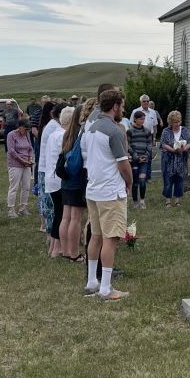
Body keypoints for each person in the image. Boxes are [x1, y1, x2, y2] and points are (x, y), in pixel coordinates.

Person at [82, 89, 133, 301]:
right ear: (115, 106)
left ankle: (91, 281)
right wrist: (129, 182)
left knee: (95, 235)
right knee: (110, 239)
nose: (123, 110)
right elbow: (123, 164)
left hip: (93, 188)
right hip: (110, 191)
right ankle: (105, 288)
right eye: (122, 106)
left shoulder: (90, 128)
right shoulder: (114, 131)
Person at [56, 105, 88, 261]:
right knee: (76, 218)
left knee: (65, 217)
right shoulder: (81, 133)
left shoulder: (67, 133)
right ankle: (74, 253)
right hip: (77, 178)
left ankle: (65, 250)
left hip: (66, 178)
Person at [38, 104, 69, 258]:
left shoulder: (54, 131)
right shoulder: (60, 133)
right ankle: (57, 247)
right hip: (57, 178)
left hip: (51, 176)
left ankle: (54, 246)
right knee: (60, 214)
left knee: (58, 213)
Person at [159, 110, 190, 207]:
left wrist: (184, 149)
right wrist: (173, 150)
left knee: (179, 180)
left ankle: (177, 201)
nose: (177, 124)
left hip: (181, 160)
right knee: (168, 180)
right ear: (170, 122)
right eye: (175, 122)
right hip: (168, 159)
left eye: (178, 121)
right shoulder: (166, 131)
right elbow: (163, 144)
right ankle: (168, 201)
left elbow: (189, 143)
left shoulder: (184, 130)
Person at [5, 118, 35, 218]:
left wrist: (30, 159)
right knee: (14, 187)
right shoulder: (11, 135)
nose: (26, 131)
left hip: (27, 164)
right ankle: (11, 209)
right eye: (25, 129)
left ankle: (23, 208)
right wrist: (22, 161)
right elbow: (11, 151)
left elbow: (30, 148)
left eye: (28, 130)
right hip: (15, 164)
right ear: (20, 127)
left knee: (26, 187)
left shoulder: (26, 135)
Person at [128, 109, 154, 209]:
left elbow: (149, 145)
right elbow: (128, 146)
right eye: (141, 119)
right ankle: (135, 202)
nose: (142, 121)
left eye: (144, 119)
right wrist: (136, 157)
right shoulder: (130, 131)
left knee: (142, 181)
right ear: (135, 119)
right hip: (135, 160)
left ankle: (142, 201)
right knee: (135, 182)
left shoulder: (147, 131)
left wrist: (146, 155)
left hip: (144, 160)